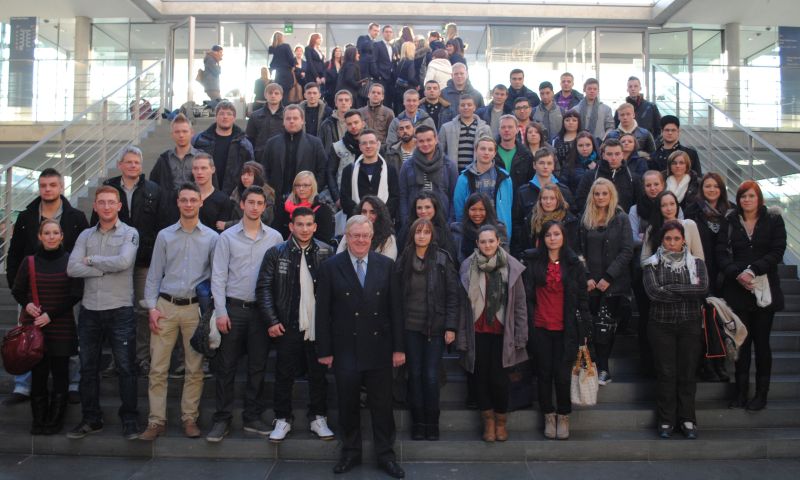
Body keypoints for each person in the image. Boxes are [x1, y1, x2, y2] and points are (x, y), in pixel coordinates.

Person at [315, 215, 406, 478]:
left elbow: (395, 311)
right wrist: (325, 350)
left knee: (382, 406)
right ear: (347, 236)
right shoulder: (331, 266)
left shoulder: (386, 265)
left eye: (365, 236)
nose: (360, 240)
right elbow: (323, 313)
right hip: (345, 348)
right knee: (347, 404)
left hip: (379, 347)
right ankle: (350, 453)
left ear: (372, 236)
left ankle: (386, 456)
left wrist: (399, 348)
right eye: (355, 235)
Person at [138, 183, 218, 441]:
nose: (188, 204)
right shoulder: (164, 236)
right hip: (165, 307)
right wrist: (151, 307)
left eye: (193, 200)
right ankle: (156, 421)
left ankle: (189, 419)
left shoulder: (212, 238)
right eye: (183, 200)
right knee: (158, 369)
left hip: (195, 309)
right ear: (178, 203)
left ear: (200, 202)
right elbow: (154, 274)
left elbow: (216, 276)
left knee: (194, 369)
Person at [4, 168, 87, 407]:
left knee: (70, 338)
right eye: (43, 185)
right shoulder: (27, 216)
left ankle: (72, 385)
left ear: (61, 187)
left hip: (66, 292)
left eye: (52, 185)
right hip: (32, 291)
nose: (47, 189)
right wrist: (17, 289)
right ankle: (23, 386)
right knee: (25, 339)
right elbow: (15, 255)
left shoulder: (76, 218)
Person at [205, 186, 283, 442]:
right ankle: (222, 419)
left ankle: (252, 416)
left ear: (264, 207)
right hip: (233, 309)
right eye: (250, 202)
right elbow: (218, 276)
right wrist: (220, 311)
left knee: (257, 367)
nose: (255, 207)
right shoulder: (226, 238)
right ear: (242, 204)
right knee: (226, 367)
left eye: (260, 203)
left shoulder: (275, 238)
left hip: (261, 313)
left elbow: (278, 280)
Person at [253, 205, 334, 443]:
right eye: (300, 224)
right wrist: (271, 320)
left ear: (315, 226)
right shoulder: (275, 253)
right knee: (283, 374)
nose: (305, 229)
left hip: (317, 326)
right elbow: (264, 288)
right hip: (287, 324)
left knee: (318, 375)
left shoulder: (326, 252)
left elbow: (335, 291)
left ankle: (318, 418)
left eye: (309, 224)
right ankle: (282, 419)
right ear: (291, 226)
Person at [67, 186, 139, 440]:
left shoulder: (130, 233)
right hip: (90, 311)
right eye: (102, 203)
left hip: (120, 309)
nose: (106, 207)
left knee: (126, 368)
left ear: (119, 206)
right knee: (88, 368)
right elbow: (72, 268)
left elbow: (124, 263)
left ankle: (130, 420)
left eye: (111, 202)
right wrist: (100, 268)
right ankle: (91, 418)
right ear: (95, 206)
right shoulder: (86, 235)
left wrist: (91, 260)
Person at [456, 224, 528, 443]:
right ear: (477, 244)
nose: (487, 245)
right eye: (483, 241)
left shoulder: (512, 267)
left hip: (501, 332)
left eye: (491, 241)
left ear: (498, 242)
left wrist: (520, 335)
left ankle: (501, 420)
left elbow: (520, 305)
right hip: (476, 331)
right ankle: (487, 421)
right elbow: (461, 305)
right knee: (480, 379)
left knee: (499, 380)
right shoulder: (468, 266)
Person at [720, 181, 786, 412]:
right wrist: (737, 274)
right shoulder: (729, 221)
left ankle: (761, 394)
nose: (746, 200)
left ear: (759, 198)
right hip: (737, 291)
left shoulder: (774, 220)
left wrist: (753, 270)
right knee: (742, 343)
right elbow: (721, 254)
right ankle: (740, 393)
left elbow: (777, 251)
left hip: (763, 289)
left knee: (762, 343)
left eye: (751, 196)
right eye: (742, 196)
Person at [95, 147, 162, 376]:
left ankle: (142, 359)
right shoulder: (108, 189)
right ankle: (118, 359)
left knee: (144, 312)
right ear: (120, 164)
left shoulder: (154, 189)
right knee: (117, 311)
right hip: (114, 263)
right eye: (129, 162)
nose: (133, 166)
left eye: (137, 162)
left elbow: (160, 227)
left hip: (144, 262)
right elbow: (95, 225)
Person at [12, 220, 81, 435]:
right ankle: (39, 420)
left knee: (60, 375)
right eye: (47, 233)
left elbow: (75, 294)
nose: (51, 236)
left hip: (61, 327)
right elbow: (18, 290)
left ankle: (55, 421)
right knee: (39, 376)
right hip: (36, 330)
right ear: (40, 237)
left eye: (55, 233)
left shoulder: (71, 261)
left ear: (62, 236)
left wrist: (50, 315)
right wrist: (28, 304)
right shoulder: (29, 262)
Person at [524, 220, 591, 440]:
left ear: (563, 237)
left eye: (556, 234)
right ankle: (548, 415)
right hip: (540, 326)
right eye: (548, 235)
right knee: (543, 374)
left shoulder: (574, 264)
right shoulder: (533, 261)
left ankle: (563, 415)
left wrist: (584, 331)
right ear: (542, 239)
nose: (552, 238)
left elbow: (582, 300)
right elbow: (526, 296)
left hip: (566, 328)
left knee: (562, 375)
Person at [643, 220, 709, 439]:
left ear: (684, 240)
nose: (672, 243)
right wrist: (686, 290)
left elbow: (701, 288)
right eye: (668, 238)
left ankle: (688, 419)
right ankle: (666, 421)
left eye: (676, 238)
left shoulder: (697, 263)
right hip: (661, 326)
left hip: (689, 324)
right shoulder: (651, 264)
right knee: (666, 373)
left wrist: (670, 287)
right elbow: (654, 293)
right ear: (662, 240)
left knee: (687, 373)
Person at [394, 218, 458, 441]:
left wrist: (451, 326)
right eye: (418, 232)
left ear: (432, 235)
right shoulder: (403, 259)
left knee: (431, 376)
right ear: (412, 234)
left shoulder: (442, 258)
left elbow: (452, 294)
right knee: (415, 374)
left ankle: (432, 422)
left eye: (426, 232)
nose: (422, 236)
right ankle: (418, 423)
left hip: (435, 327)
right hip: (409, 327)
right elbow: (396, 296)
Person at [578, 178, 633, 385]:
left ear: (611, 195)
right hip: (590, 284)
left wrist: (608, 277)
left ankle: (604, 369)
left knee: (604, 327)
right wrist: (587, 277)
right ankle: (588, 366)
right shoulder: (585, 219)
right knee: (589, 326)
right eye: (597, 193)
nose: (600, 197)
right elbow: (579, 252)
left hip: (613, 285)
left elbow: (627, 250)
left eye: (604, 193)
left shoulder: (621, 218)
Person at [685, 172, 733, 383]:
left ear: (721, 189)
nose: (711, 190)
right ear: (701, 189)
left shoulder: (731, 212)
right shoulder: (693, 211)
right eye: (707, 186)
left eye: (715, 186)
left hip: (725, 272)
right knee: (703, 319)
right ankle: (705, 364)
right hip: (701, 270)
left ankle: (720, 363)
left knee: (721, 320)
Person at [511, 148, 575, 256]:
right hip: (532, 250)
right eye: (541, 163)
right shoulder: (523, 192)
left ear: (554, 166)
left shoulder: (564, 190)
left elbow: (571, 219)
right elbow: (517, 223)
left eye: (549, 163)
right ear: (534, 165)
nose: (545, 167)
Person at [259, 104, 328, 202]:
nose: (291, 121)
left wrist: (313, 192)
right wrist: (270, 192)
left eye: (295, 118)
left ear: (302, 121)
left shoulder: (315, 143)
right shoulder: (272, 143)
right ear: (283, 121)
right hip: (276, 200)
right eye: (288, 118)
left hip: (306, 200)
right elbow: (264, 170)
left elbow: (322, 169)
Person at [453, 136, 513, 238]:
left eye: (490, 150)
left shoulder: (505, 178)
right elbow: (459, 208)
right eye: (482, 149)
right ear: (476, 151)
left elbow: (508, 206)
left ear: (494, 153)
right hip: (471, 231)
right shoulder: (464, 178)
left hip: (498, 230)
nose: (486, 152)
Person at [151, 114, 203, 227]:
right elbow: (154, 186)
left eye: (185, 131)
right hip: (168, 214)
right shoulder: (163, 159)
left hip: (196, 211)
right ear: (172, 135)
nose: (181, 135)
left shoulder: (202, 158)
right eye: (177, 132)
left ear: (192, 133)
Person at [193, 100, 255, 195]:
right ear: (216, 117)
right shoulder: (200, 140)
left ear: (234, 118)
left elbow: (250, 171)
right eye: (221, 113)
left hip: (234, 195)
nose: (225, 117)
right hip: (205, 194)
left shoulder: (244, 144)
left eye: (229, 114)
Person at [398, 125, 458, 223]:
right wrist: (406, 221)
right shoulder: (407, 166)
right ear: (416, 142)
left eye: (429, 140)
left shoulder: (449, 166)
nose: (425, 144)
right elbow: (403, 197)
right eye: (421, 141)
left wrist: (450, 222)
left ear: (436, 139)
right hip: (415, 221)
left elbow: (454, 197)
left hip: (442, 221)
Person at [340, 129, 400, 221]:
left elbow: (394, 197)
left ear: (378, 144)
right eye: (364, 143)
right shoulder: (349, 170)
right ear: (360, 146)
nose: (368, 146)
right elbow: (345, 198)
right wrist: (361, 215)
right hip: (356, 223)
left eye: (371, 142)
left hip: (383, 223)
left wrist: (379, 215)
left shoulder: (390, 170)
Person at [576, 138, 642, 214]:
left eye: (617, 154)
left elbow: (638, 204)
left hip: (623, 222)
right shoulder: (590, 176)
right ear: (603, 155)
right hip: (596, 220)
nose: (613, 158)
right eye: (609, 154)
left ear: (622, 155)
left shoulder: (633, 178)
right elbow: (580, 200)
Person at [640, 191, 704, 261]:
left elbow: (699, 257)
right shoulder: (652, 228)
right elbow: (644, 259)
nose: (669, 208)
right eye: (664, 205)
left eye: (672, 204)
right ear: (659, 208)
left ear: (677, 205)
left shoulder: (689, 225)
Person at [277, 171, 336, 245]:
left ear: (313, 187)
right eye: (298, 185)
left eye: (305, 185)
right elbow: (278, 232)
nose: (301, 189)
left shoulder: (323, 210)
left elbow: (325, 238)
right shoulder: (285, 207)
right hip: (287, 251)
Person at [451, 192, 509, 264]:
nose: (477, 214)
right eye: (473, 209)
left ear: (488, 210)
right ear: (467, 210)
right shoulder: (458, 231)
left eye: (481, 209)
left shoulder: (498, 229)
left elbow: (504, 257)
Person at [439, 94, 491, 172]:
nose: (466, 107)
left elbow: (491, 151)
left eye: (469, 105)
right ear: (458, 108)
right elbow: (439, 151)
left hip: (477, 172)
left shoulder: (485, 128)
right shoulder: (446, 128)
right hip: (453, 173)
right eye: (462, 105)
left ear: (474, 108)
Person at [402, 191, 459, 263]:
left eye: (427, 207)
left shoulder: (444, 231)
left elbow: (451, 259)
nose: (423, 211)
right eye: (419, 208)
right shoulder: (407, 229)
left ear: (435, 208)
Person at [524, 183, 579, 255]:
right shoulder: (531, 218)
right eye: (544, 198)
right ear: (540, 200)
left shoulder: (569, 221)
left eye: (552, 198)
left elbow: (572, 248)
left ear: (558, 200)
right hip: (537, 262)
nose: (548, 202)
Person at [337, 195, 398, 260]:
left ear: (380, 215)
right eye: (364, 212)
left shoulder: (388, 239)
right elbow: (338, 259)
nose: (367, 216)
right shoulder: (350, 233)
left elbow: (387, 266)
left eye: (372, 212)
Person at [327, 109, 366, 205]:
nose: (353, 126)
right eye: (349, 124)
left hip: (367, 195)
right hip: (345, 195)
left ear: (363, 123)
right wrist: (336, 198)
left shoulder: (372, 145)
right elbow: (330, 172)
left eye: (356, 122)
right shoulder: (337, 147)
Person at [224, 161, 276, 229]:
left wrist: (228, 225)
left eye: (249, 175)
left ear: (257, 176)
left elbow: (263, 219)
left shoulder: (267, 194)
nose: (245, 177)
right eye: (243, 174)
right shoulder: (237, 191)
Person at [191, 153, 234, 233]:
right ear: (192, 171)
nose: (199, 172)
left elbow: (223, 233)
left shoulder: (223, 200)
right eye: (195, 168)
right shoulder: (184, 198)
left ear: (213, 169)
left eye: (204, 168)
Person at [496, 115, 534, 192]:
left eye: (510, 127)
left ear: (517, 130)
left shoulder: (526, 154)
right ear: (499, 130)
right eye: (503, 127)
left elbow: (530, 181)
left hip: (518, 199)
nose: (506, 130)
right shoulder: (491, 152)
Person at [246, 83, 285, 155]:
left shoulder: (288, 116)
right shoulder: (255, 116)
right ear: (265, 95)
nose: (273, 95)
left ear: (281, 96)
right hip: (260, 156)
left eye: (276, 93)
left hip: (282, 156)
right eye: (270, 93)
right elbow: (249, 139)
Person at [560, 131, 599, 196]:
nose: (584, 149)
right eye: (580, 145)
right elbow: (563, 188)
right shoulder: (569, 165)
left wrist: (595, 170)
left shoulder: (600, 164)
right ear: (576, 147)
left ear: (593, 145)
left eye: (588, 145)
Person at [551, 111, 581, 192]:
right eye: (567, 120)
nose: (570, 123)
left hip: (579, 178)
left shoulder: (583, 139)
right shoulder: (556, 140)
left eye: (574, 120)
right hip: (560, 178)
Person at [373, 25, 397, 111]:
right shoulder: (377, 45)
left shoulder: (394, 47)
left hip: (391, 78)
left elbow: (394, 61)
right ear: (382, 33)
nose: (388, 34)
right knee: (381, 100)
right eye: (386, 32)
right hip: (381, 77)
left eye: (390, 32)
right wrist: (377, 75)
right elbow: (374, 61)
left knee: (389, 100)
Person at [269, 32, 295, 102]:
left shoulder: (271, 48)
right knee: (286, 95)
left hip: (277, 74)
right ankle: (284, 111)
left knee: (278, 93)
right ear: (281, 38)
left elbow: (271, 63)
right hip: (286, 73)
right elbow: (291, 58)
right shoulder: (286, 46)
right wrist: (293, 66)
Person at [394, 42, 418, 112]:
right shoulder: (410, 62)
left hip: (399, 89)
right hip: (408, 90)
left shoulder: (400, 62)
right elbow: (411, 78)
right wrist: (417, 84)